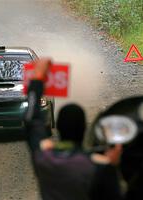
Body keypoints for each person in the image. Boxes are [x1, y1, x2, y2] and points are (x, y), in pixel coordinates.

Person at [24, 58, 123, 200]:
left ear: (57, 127)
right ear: (84, 129)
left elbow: (31, 120)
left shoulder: (43, 158)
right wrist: (112, 166)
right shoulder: (98, 167)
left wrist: (37, 78)